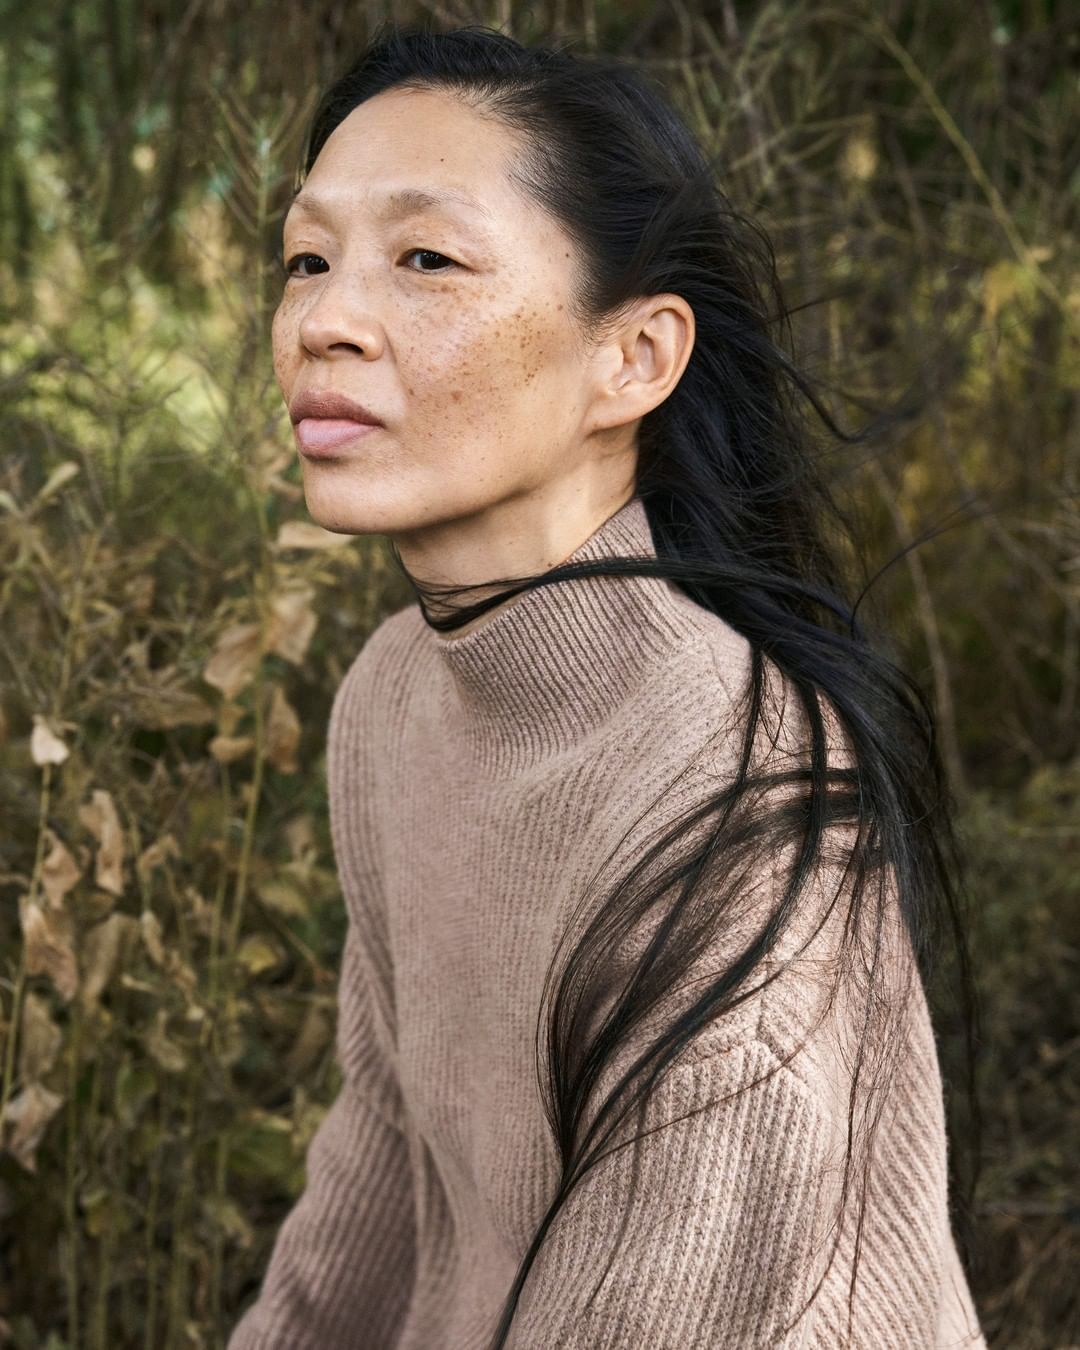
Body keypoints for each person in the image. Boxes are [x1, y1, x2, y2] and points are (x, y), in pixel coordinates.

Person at [228, 22, 985, 1350]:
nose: (323, 323)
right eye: (308, 259)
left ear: (632, 358)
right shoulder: (394, 695)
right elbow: (387, 1160)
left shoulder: (742, 802)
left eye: (426, 259)